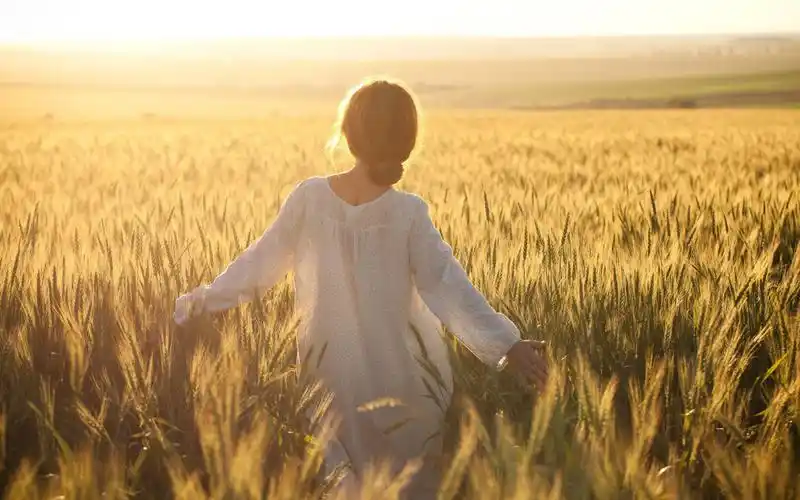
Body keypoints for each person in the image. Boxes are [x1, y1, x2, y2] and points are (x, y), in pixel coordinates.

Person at [173, 78, 549, 498]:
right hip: (407, 391)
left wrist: (198, 303)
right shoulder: (408, 213)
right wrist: (506, 346)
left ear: (348, 135)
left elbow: (257, 267)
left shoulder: (309, 199)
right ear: (407, 142)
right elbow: (449, 289)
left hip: (329, 386)